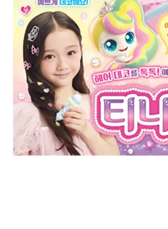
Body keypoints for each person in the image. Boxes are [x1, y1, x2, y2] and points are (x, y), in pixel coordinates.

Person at [14, 11, 120, 155]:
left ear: (80, 50)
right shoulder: (28, 115)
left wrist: (86, 130)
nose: (62, 65)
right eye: (49, 56)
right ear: (34, 60)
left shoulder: (96, 105)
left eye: (70, 53)